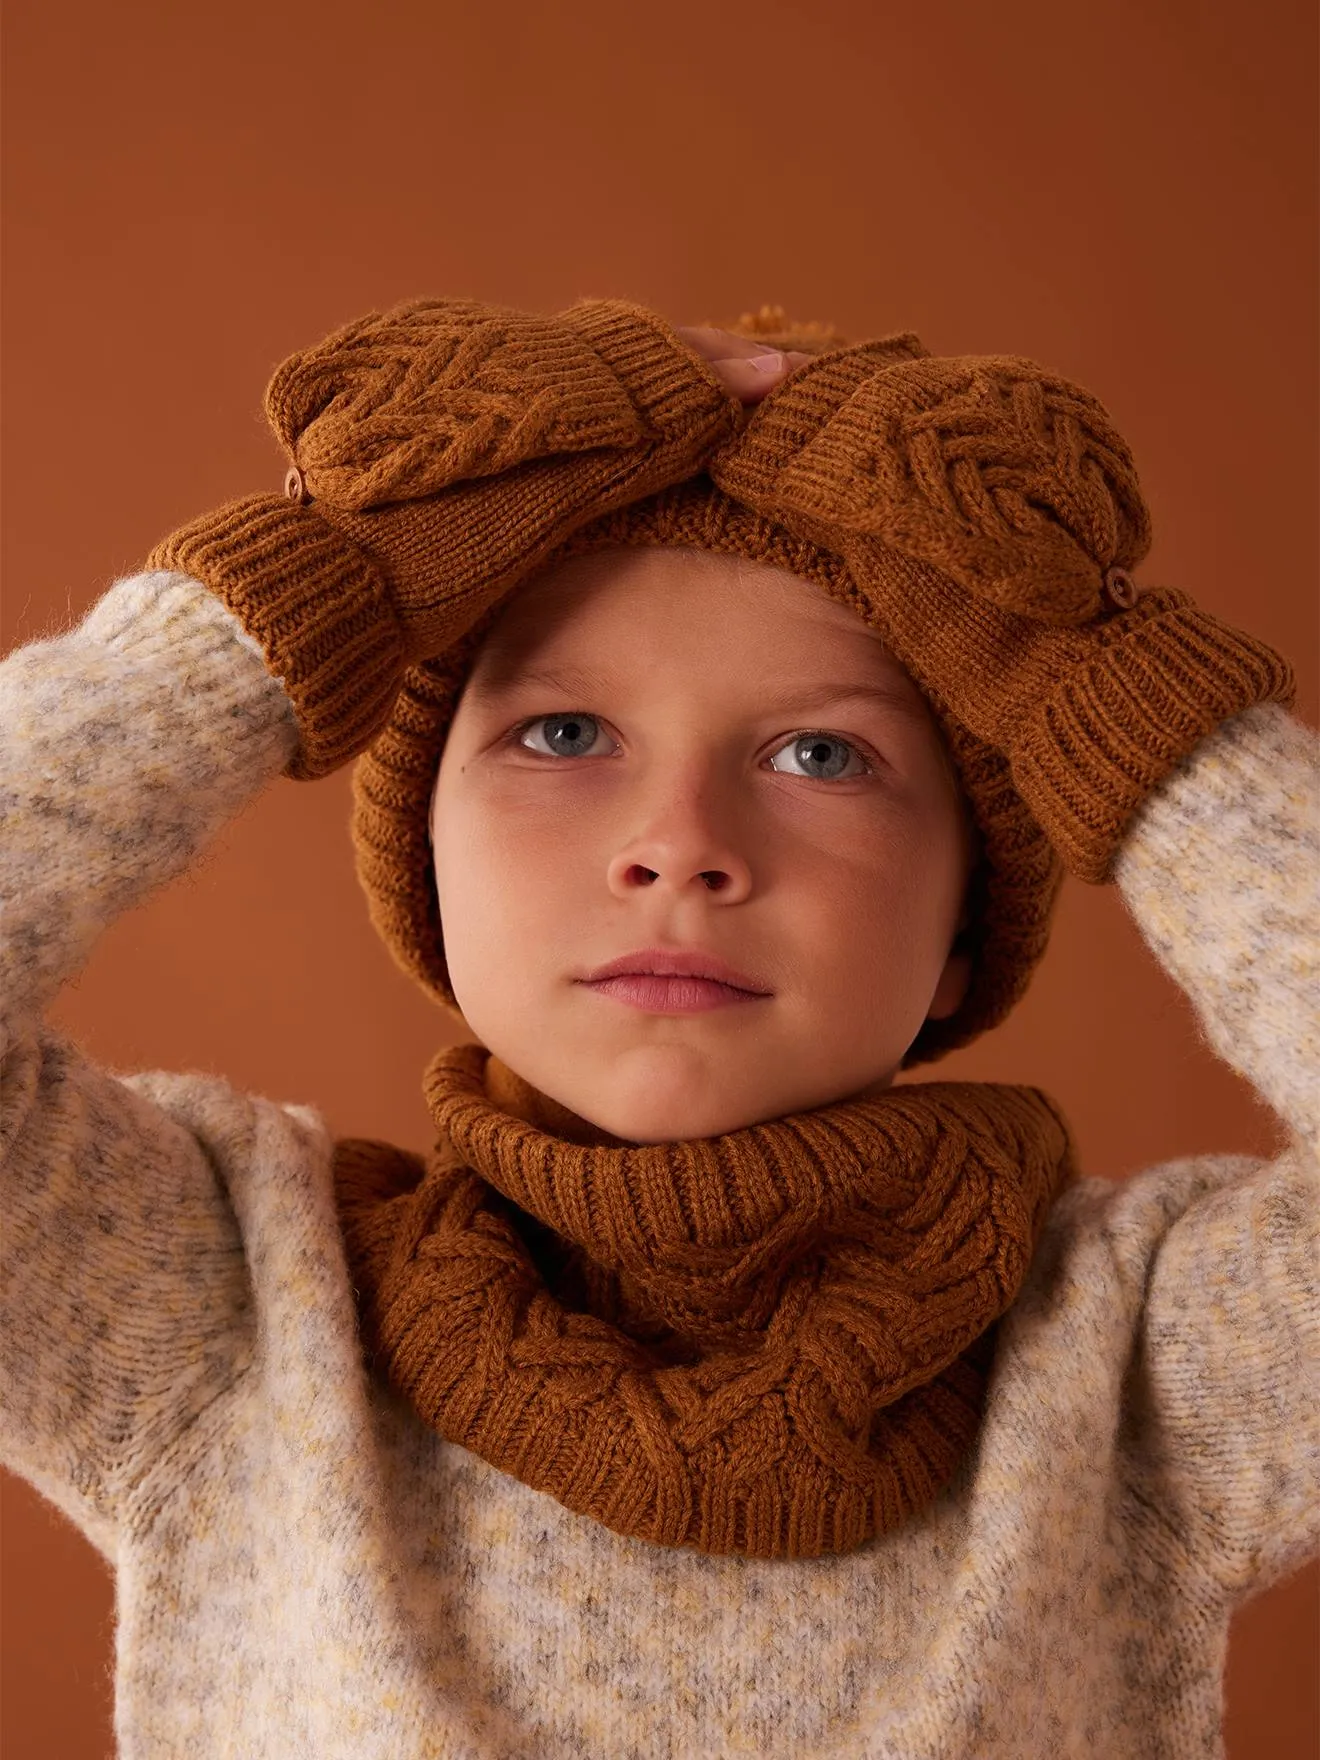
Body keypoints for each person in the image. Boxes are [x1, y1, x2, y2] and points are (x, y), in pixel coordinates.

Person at [0, 293, 1315, 1759]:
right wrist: (311, 587)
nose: (679, 846)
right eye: (564, 735)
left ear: (961, 929)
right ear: (426, 864)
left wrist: (1108, 684)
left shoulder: (1137, 1368)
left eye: (823, 753)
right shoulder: (223, 1316)